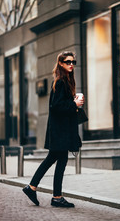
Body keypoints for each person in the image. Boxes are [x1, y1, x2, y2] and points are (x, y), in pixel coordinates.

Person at [22, 51, 84, 208]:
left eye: (73, 62)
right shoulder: (61, 81)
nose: (71, 64)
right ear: (61, 63)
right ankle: (40, 191)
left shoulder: (65, 81)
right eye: (68, 61)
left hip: (61, 131)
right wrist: (74, 104)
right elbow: (55, 106)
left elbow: (61, 105)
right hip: (60, 131)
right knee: (55, 160)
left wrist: (74, 103)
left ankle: (50, 194)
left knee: (58, 160)